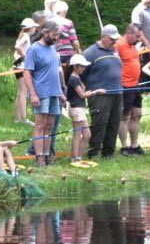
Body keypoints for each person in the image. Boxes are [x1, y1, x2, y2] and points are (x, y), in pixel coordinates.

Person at [24, 21, 65, 166]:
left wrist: (61, 92)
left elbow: (55, 72)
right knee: (40, 125)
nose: (56, 38)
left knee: (50, 126)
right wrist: (33, 94)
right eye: (54, 35)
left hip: (54, 93)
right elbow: (27, 73)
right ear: (44, 33)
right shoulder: (34, 49)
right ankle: (39, 157)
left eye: (57, 35)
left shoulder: (53, 49)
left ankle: (48, 155)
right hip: (41, 93)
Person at [82, 24, 123, 158]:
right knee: (99, 124)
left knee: (114, 124)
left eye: (116, 39)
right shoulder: (90, 52)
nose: (114, 41)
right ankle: (93, 152)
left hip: (117, 92)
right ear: (103, 37)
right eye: (112, 39)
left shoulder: (115, 51)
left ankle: (108, 153)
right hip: (100, 95)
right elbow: (80, 74)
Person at [66, 55, 104, 162]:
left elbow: (82, 94)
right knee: (77, 134)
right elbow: (82, 95)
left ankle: (78, 156)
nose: (83, 68)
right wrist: (96, 92)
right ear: (75, 66)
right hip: (76, 109)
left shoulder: (77, 78)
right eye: (82, 66)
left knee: (87, 135)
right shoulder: (73, 79)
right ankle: (74, 158)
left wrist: (89, 92)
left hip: (80, 109)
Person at [116, 24, 143, 155]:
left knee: (137, 114)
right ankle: (124, 146)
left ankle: (134, 145)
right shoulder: (119, 45)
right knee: (124, 116)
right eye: (137, 36)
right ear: (129, 33)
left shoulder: (133, 45)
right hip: (124, 86)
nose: (138, 38)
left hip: (135, 85)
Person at [14, 18, 37, 125]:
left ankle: (17, 118)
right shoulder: (26, 36)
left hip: (17, 66)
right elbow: (17, 47)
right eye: (34, 27)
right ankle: (24, 119)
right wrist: (25, 56)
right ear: (30, 28)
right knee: (23, 93)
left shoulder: (21, 35)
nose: (35, 29)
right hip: (22, 66)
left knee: (19, 92)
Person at [53, 0, 81, 65]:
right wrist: (78, 50)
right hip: (68, 54)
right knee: (68, 72)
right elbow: (74, 40)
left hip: (54, 53)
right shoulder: (68, 22)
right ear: (65, 11)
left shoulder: (49, 22)